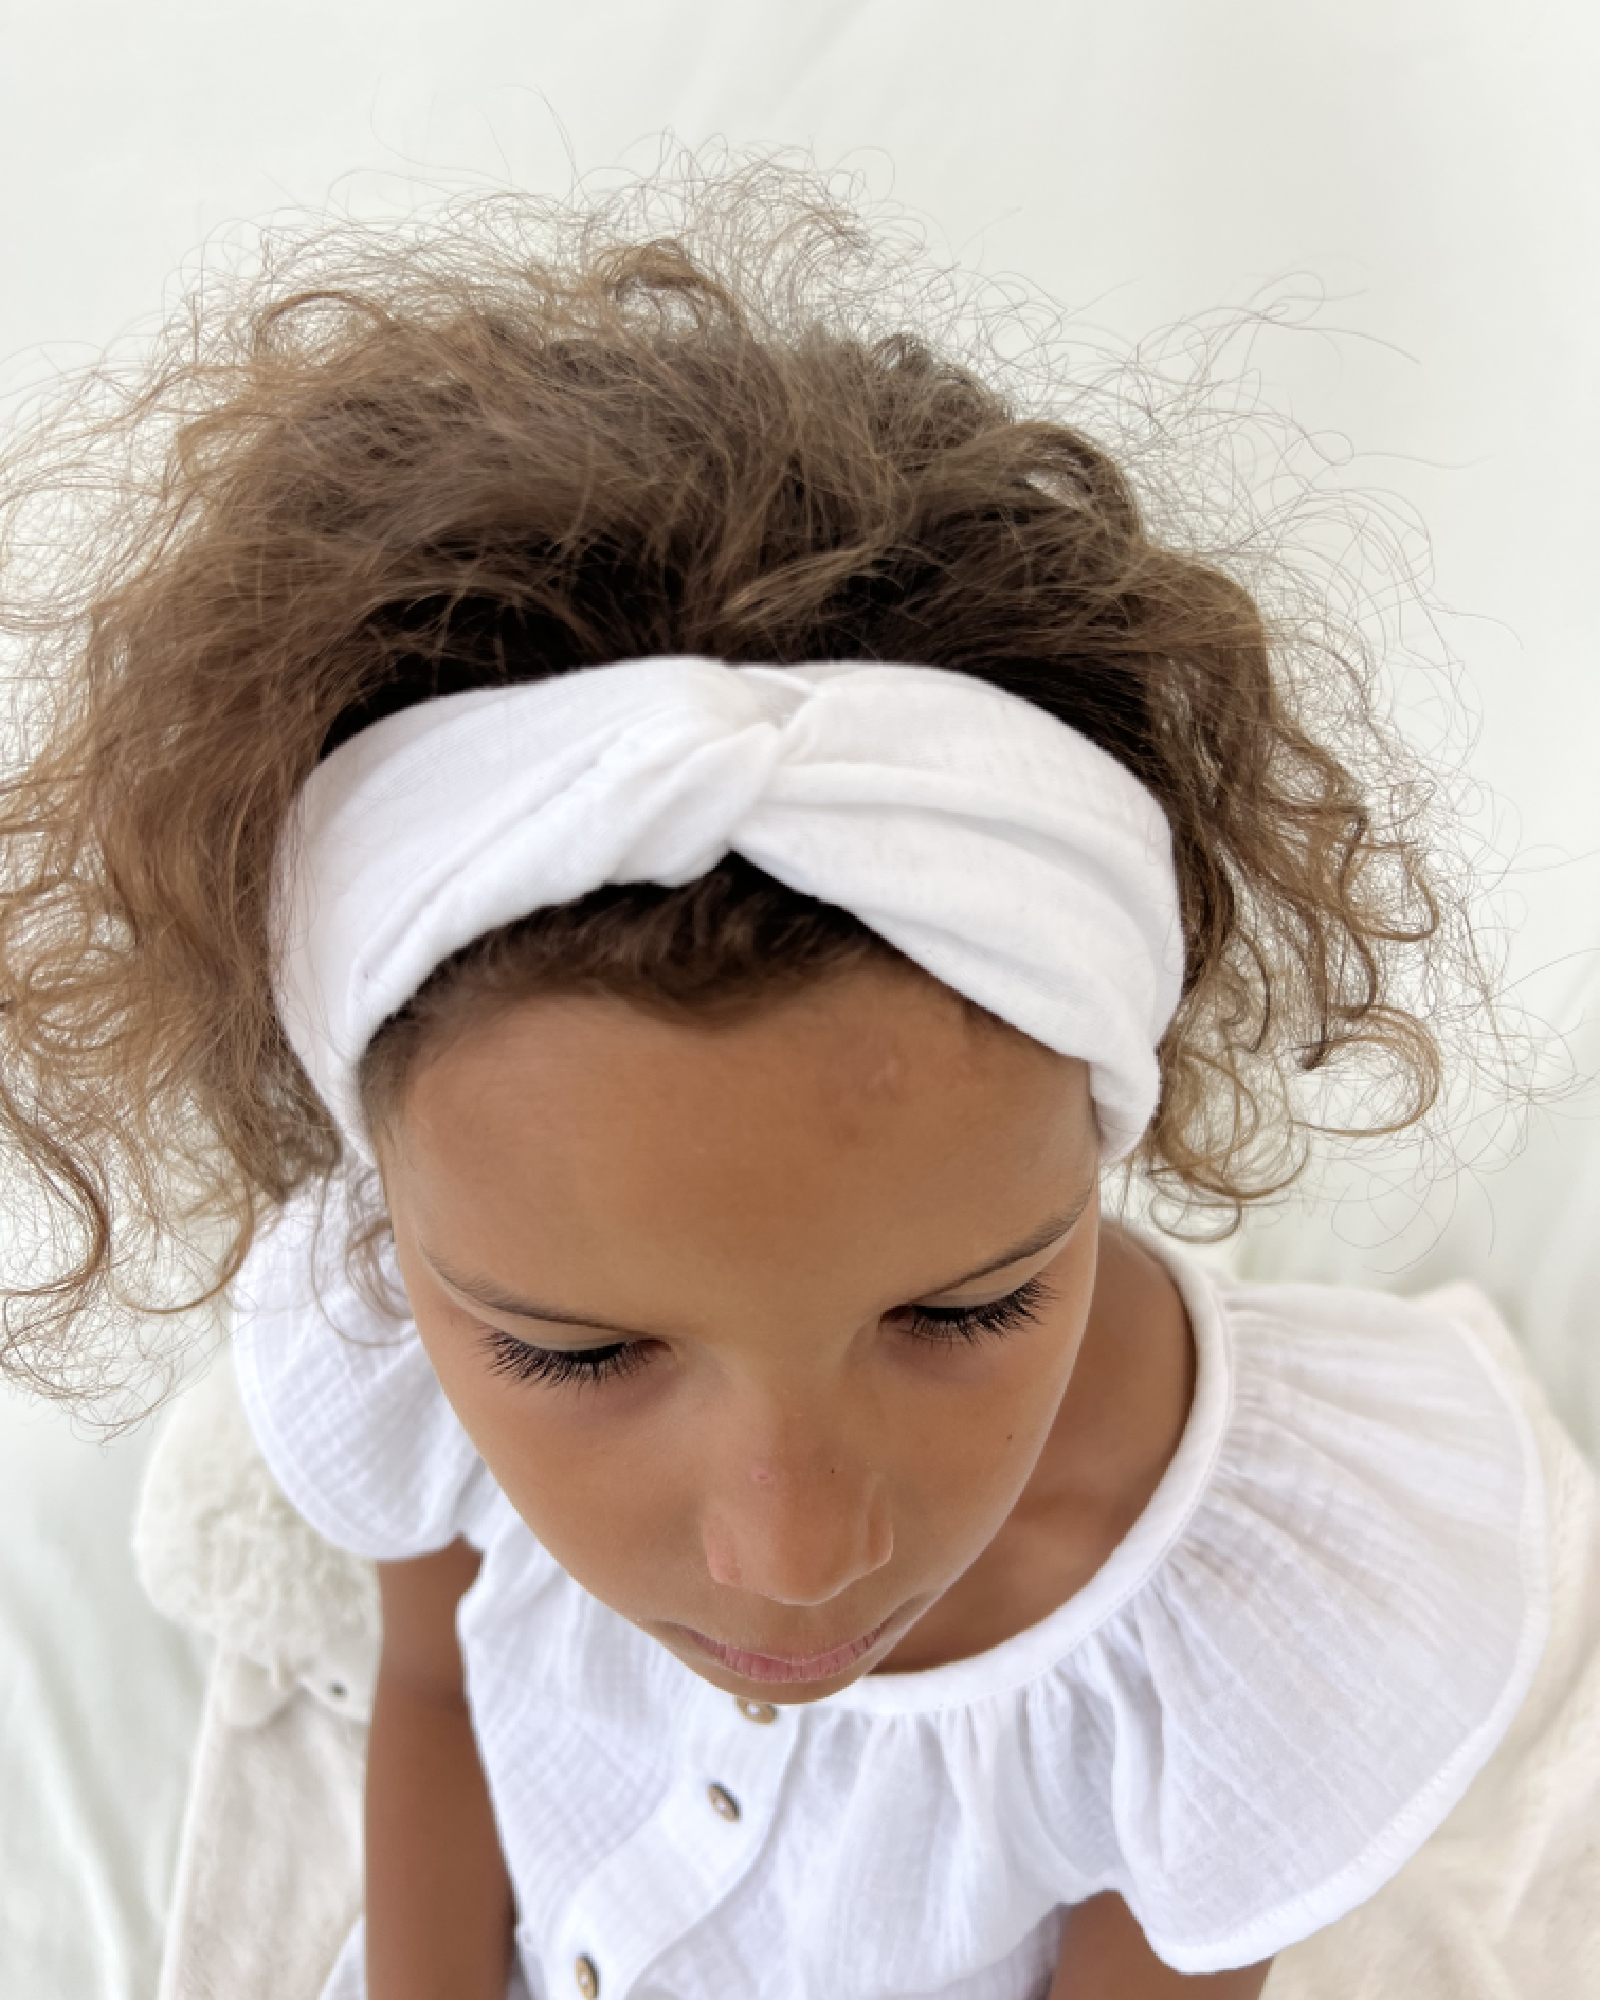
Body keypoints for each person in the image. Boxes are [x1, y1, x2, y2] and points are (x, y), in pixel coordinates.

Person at [0, 171, 1560, 1999]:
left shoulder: (1246, 1641)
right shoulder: (394, 1330)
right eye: (578, 1356)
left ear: (1110, 1113)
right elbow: (434, 1682)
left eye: (971, 1307)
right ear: (394, 1204)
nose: (796, 1558)